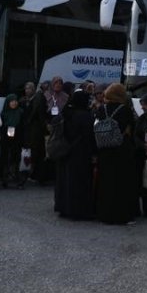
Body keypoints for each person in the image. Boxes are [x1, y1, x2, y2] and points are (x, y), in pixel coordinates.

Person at [94, 83, 138, 225]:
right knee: (121, 184)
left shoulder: (101, 109)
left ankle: (104, 214)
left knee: (105, 183)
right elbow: (131, 129)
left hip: (104, 150)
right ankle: (121, 215)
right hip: (121, 151)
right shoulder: (125, 110)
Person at [56, 89, 96, 220]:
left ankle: (65, 208)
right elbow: (89, 136)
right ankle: (79, 210)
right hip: (81, 152)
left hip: (66, 150)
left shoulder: (67, 112)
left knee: (67, 181)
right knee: (80, 182)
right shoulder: (85, 115)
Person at [22, 81, 48, 184]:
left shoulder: (37, 99)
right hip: (31, 130)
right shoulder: (25, 100)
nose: (27, 90)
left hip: (35, 130)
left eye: (30, 88)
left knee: (36, 152)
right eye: (26, 88)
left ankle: (35, 174)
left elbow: (39, 115)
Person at [0, 88, 25, 188]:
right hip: (6, 140)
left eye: (15, 101)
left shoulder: (20, 112)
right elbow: (1, 127)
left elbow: (23, 126)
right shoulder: (4, 113)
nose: (14, 103)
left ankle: (16, 178)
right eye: (12, 101)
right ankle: (4, 179)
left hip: (17, 140)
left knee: (16, 159)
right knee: (6, 160)